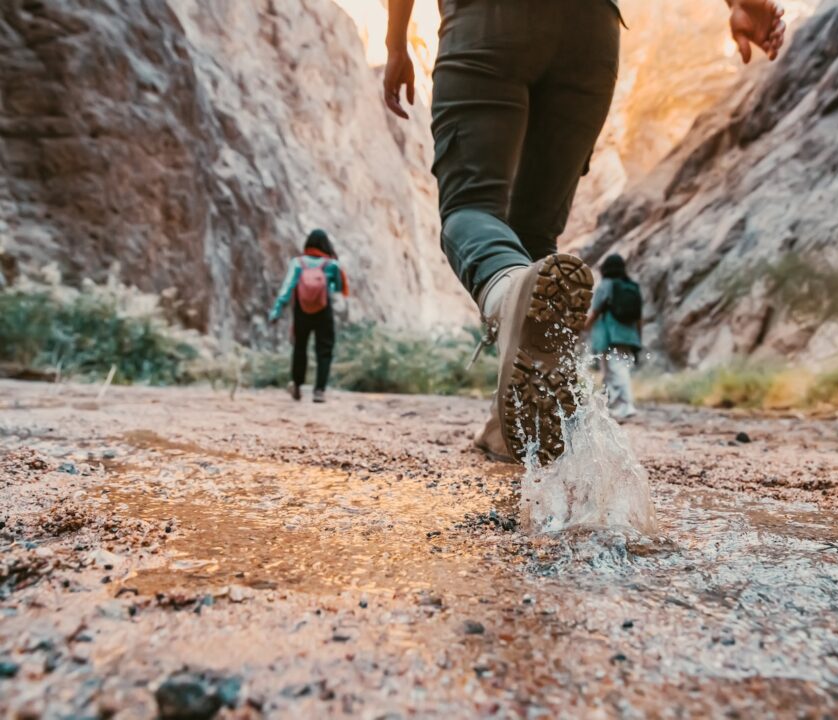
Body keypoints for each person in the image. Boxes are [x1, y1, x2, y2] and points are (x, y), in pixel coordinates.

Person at [383, 0, 785, 463]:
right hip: (591, 34)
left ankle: (507, 298)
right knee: (533, 243)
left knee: (469, 210)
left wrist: (397, 44)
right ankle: (513, 424)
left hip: (487, 24)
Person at [269, 229, 349, 404]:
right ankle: (319, 390)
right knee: (324, 350)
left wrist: (276, 311)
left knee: (300, 348)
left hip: (301, 310)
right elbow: (337, 288)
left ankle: (297, 386)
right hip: (323, 310)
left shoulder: (297, 263)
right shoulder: (332, 264)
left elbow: (287, 287)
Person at [584, 254, 643, 421]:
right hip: (628, 336)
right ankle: (618, 406)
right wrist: (639, 337)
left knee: (614, 371)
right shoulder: (632, 286)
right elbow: (639, 318)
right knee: (620, 369)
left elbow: (594, 312)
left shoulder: (606, 285)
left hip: (609, 336)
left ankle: (625, 407)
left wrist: (581, 328)